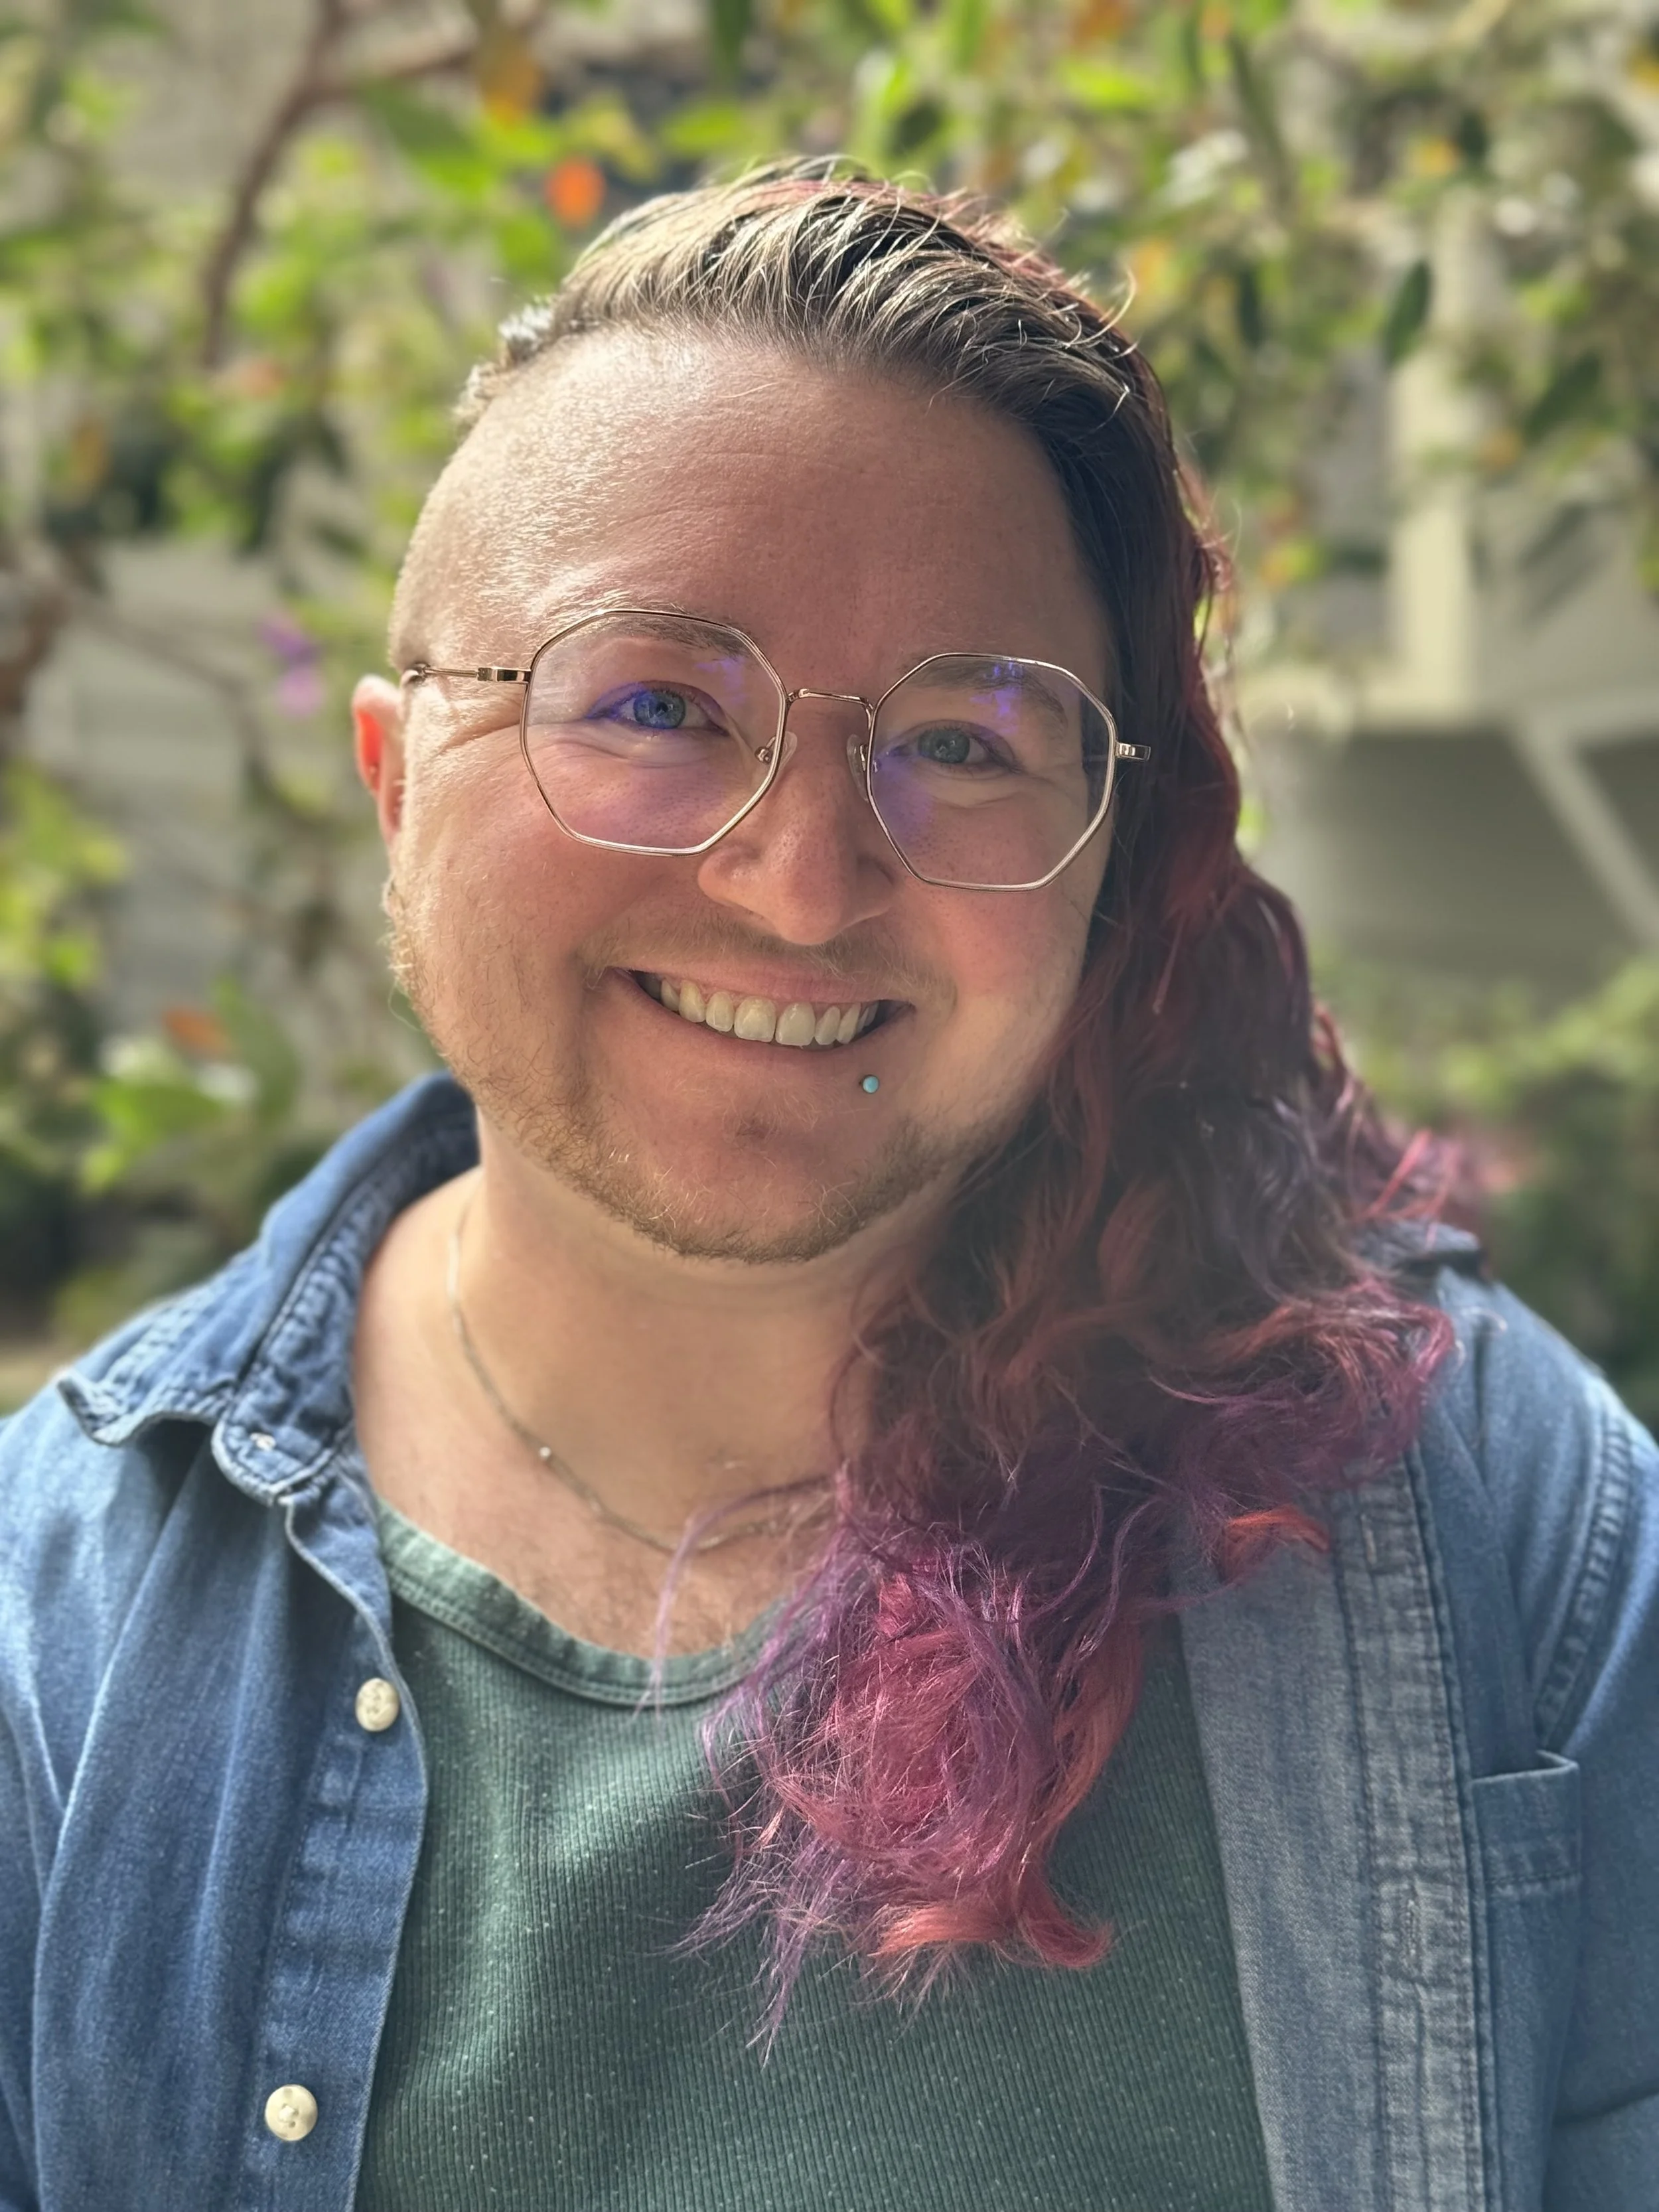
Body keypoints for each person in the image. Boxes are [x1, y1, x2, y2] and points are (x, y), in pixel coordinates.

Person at [0, 165, 1652, 2212]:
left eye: (964, 742)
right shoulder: (53, 1639)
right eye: (654, 706)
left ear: (1104, 853)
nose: (799, 880)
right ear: (394, 782)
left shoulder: (1497, 1530)